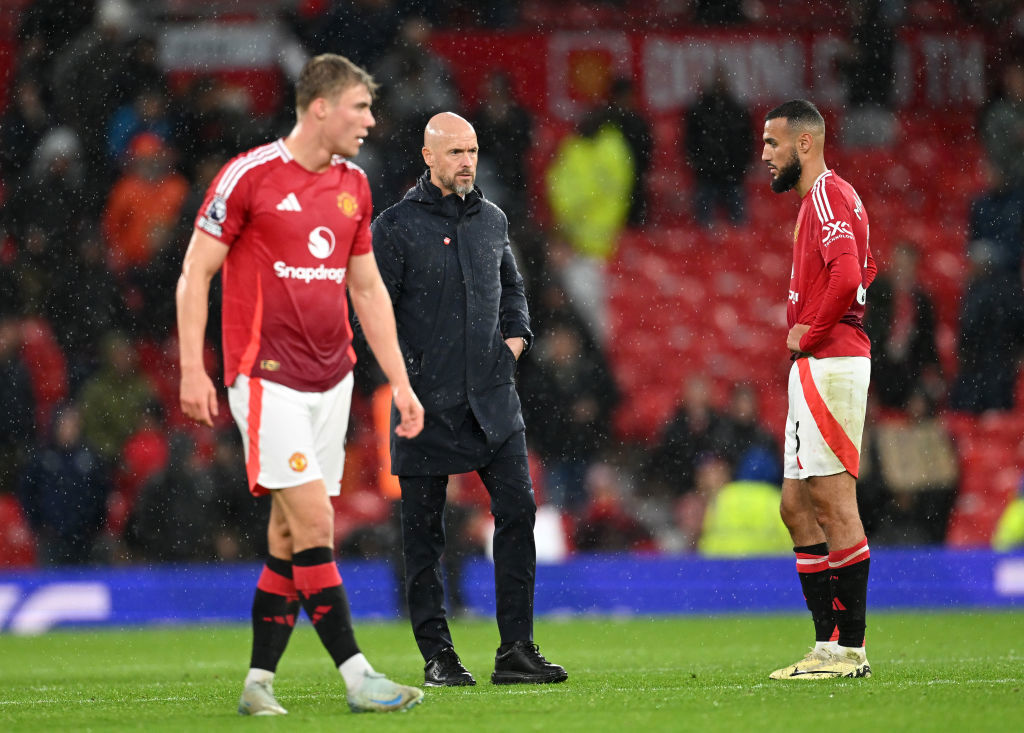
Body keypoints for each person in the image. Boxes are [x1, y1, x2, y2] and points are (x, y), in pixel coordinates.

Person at [175, 53, 425, 716]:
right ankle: (358, 674)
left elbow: (366, 287)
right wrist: (192, 368)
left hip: (332, 379)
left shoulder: (355, 185)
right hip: (266, 380)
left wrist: (400, 381)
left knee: (290, 539)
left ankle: (259, 682)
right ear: (320, 107)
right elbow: (195, 272)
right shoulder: (248, 177)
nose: (371, 121)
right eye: (359, 107)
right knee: (317, 520)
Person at [371, 112, 567, 688]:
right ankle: (439, 655)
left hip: (492, 399)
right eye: (454, 152)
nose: (466, 161)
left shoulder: (494, 220)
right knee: (423, 534)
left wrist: (513, 345)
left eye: (473, 151)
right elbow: (374, 315)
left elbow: (513, 288)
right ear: (427, 156)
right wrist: (405, 378)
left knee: (519, 512)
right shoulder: (395, 227)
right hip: (423, 402)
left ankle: (516, 650)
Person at [760, 99, 878, 680]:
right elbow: (868, 269)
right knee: (795, 506)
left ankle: (848, 649)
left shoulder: (828, 193)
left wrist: (815, 324)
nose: (765, 155)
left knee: (832, 504)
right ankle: (826, 644)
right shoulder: (836, 198)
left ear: (804, 143)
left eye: (772, 144)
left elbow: (852, 274)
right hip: (820, 363)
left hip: (829, 360)